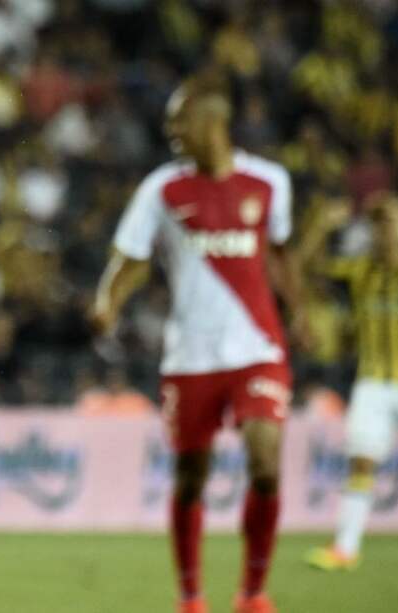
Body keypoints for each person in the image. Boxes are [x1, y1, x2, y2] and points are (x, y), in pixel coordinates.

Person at [91, 73, 308, 613]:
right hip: (190, 357)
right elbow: (132, 259)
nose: (170, 131)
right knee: (191, 478)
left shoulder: (269, 181)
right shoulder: (162, 189)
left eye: (178, 120)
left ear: (211, 121)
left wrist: (301, 310)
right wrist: (107, 302)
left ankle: (253, 592)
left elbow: (279, 253)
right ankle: (191, 597)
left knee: (265, 461)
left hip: (258, 347)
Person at [301, 192, 398, 571]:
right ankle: (345, 549)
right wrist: (321, 226)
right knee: (361, 463)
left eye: (389, 225)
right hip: (372, 384)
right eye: (378, 226)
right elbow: (307, 266)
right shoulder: (360, 271)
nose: (383, 234)